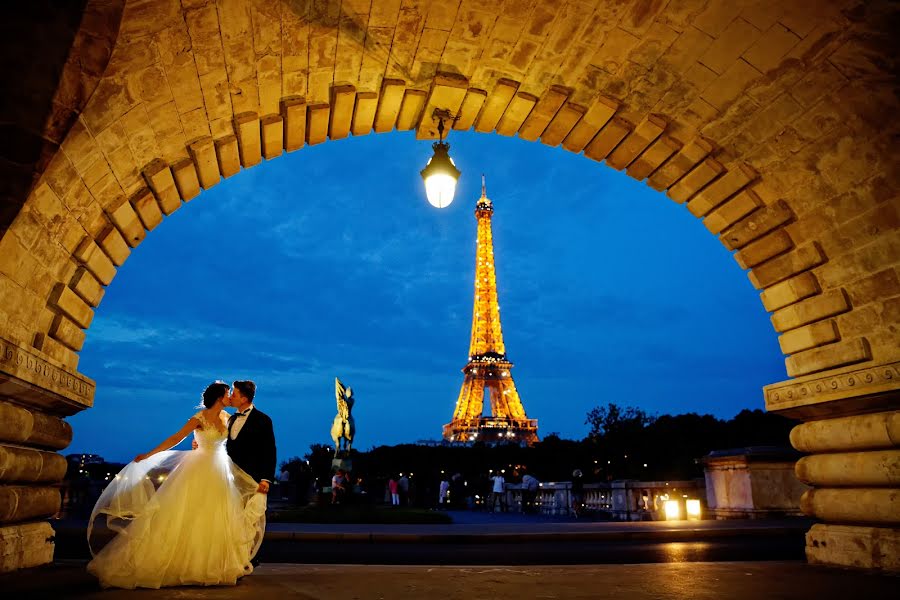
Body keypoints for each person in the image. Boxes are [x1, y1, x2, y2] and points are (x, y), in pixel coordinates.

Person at [86, 382, 267, 589]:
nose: (230, 397)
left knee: (215, 517)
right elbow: (175, 438)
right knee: (188, 515)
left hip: (220, 471)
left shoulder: (228, 418)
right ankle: (181, 566)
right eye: (227, 393)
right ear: (219, 397)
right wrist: (149, 455)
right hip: (198, 469)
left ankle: (211, 566)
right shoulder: (198, 418)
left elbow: (236, 443)